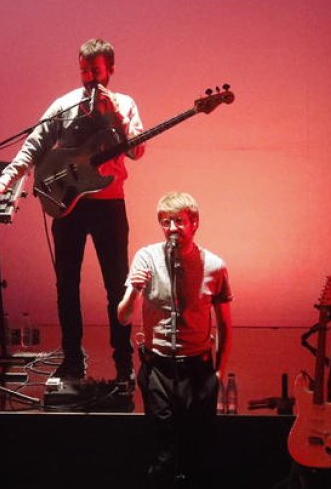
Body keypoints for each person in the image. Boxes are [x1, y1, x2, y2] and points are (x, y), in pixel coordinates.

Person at [0, 38, 145, 383]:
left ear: (110, 69)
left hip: (109, 204)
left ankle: (123, 364)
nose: (89, 77)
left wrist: (115, 113)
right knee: (67, 285)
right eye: (84, 70)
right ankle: (72, 359)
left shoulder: (125, 104)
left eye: (96, 71)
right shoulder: (64, 104)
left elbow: (137, 151)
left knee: (117, 285)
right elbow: (34, 144)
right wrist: (7, 179)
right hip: (69, 204)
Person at [117, 191, 233, 488]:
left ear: (194, 223)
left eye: (179, 221)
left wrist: (219, 372)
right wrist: (134, 292)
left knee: (197, 448)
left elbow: (225, 324)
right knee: (164, 448)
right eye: (165, 222)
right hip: (158, 367)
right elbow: (123, 317)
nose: (171, 228)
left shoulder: (214, 265)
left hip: (197, 368)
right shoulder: (146, 257)